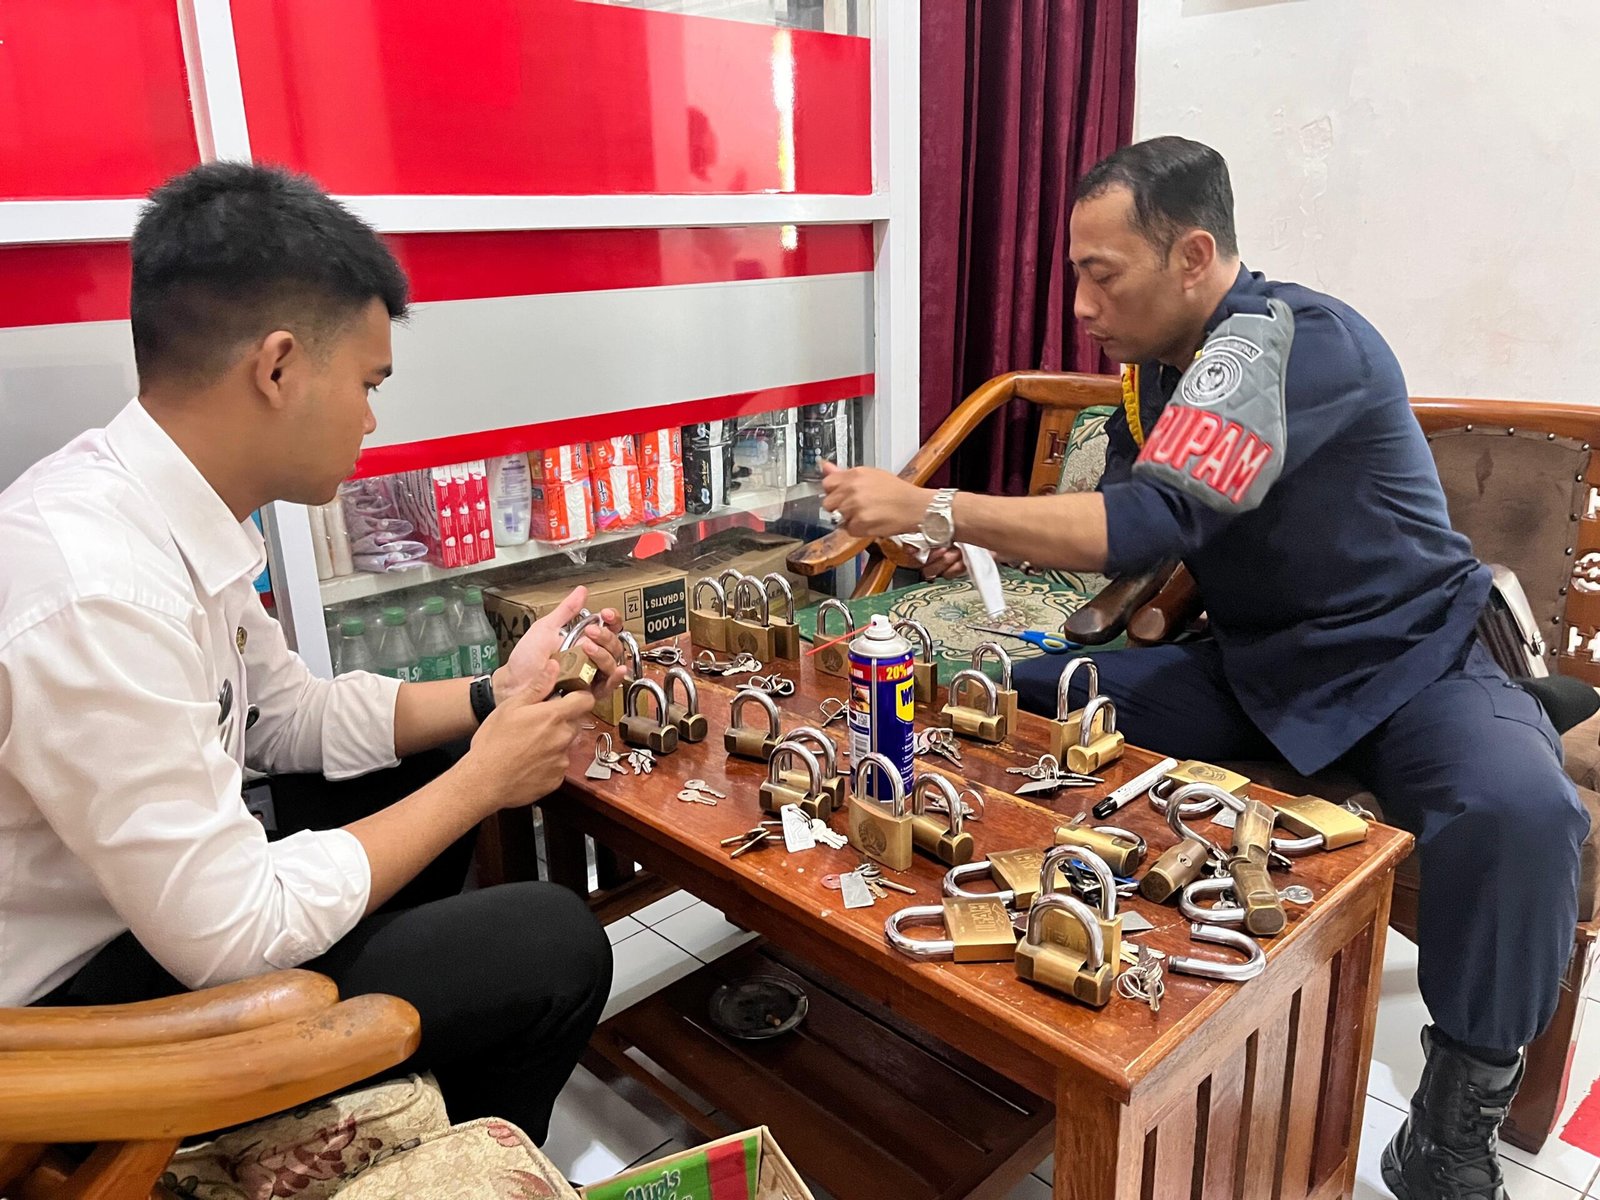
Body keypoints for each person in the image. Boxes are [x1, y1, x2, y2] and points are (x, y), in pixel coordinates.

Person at [820, 136, 1587, 1200]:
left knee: (1521, 813)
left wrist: (938, 504)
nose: (1081, 305)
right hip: (1262, 667)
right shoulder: (1154, 378)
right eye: (1075, 275)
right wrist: (979, 543)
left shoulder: (1288, 339)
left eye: (1101, 274)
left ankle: (1452, 1135)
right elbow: (1128, 531)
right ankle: (1016, 960)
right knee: (1024, 699)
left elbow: (1150, 518)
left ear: (1190, 255)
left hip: (1413, 659)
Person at [0, 162, 628, 1143]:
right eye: (367, 384)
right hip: (69, 1027)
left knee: (436, 754)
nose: (372, 419)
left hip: (152, 917)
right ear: (279, 368)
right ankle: (424, 1149)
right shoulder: (96, 586)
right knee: (554, 942)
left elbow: (285, 717)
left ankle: (384, 1074)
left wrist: (491, 696)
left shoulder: (169, 511)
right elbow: (231, 935)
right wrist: (486, 781)